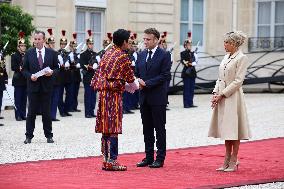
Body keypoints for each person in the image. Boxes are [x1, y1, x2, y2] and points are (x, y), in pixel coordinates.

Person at [91, 29, 135, 171]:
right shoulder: (123, 56)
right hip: (113, 95)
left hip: (103, 95)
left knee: (105, 128)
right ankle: (112, 161)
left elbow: (97, 76)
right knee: (114, 128)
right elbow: (130, 78)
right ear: (124, 42)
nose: (130, 43)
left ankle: (105, 160)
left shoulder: (107, 53)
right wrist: (136, 85)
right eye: (129, 40)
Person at [208, 31, 251, 172]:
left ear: (234, 44)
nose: (224, 45)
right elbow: (220, 78)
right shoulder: (226, 57)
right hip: (222, 96)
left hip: (233, 98)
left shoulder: (242, 58)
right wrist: (215, 92)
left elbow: (238, 81)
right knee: (226, 129)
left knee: (234, 129)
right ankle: (226, 159)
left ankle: (234, 159)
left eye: (226, 42)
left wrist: (222, 94)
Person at [135, 28, 171, 168]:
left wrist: (147, 83)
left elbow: (165, 75)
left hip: (158, 98)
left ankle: (160, 158)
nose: (145, 42)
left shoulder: (164, 55)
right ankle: (149, 157)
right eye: (144, 39)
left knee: (159, 129)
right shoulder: (141, 54)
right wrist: (137, 81)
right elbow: (137, 72)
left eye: (148, 39)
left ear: (156, 40)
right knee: (147, 128)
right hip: (144, 97)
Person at [22, 31, 59, 144]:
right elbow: (24, 70)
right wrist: (30, 76)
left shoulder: (52, 53)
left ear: (43, 40)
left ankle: (49, 135)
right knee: (31, 113)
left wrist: (52, 72)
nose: (37, 41)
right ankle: (28, 136)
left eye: (39, 39)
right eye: (35, 39)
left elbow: (57, 69)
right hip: (33, 87)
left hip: (46, 88)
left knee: (46, 113)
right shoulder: (29, 53)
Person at [80, 30, 98, 118]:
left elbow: (98, 64)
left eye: (92, 44)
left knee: (94, 96)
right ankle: (87, 112)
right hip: (87, 77)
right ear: (87, 44)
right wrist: (90, 67)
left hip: (94, 78)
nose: (91, 45)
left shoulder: (95, 54)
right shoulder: (83, 54)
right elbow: (82, 64)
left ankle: (91, 111)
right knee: (88, 95)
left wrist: (97, 65)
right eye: (89, 44)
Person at [11, 32, 27, 121]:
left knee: (24, 99)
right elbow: (13, 67)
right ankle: (17, 115)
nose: (23, 47)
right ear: (18, 47)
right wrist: (19, 67)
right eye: (22, 45)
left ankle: (23, 114)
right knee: (18, 99)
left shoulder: (26, 55)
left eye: (24, 45)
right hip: (18, 79)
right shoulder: (14, 55)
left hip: (25, 80)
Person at [46, 28, 61, 121]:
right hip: (47, 79)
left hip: (56, 79)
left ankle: (53, 115)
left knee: (55, 98)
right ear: (47, 44)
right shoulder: (45, 53)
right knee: (48, 99)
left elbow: (58, 67)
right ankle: (47, 116)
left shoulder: (56, 53)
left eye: (53, 43)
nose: (52, 45)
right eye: (51, 43)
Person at [181, 32, 198, 108]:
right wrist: (190, 63)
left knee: (191, 89)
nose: (190, 46)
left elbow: (196, 61)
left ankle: (191, 102)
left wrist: (194, 61)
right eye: (188, 45)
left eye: (190, 45)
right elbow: (183, 61)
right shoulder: (183, 53)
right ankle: (186, 103)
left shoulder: (193, 53)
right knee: (186, 89)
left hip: (192, 73)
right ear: (185, 46)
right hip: (187, 72)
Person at [68, 33, 81, 112]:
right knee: (71, 92)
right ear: (70, 47)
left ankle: (74, 106)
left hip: (77, 75)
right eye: (73, 46)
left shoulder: (77, 55)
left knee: (76, 92)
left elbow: (80, 63)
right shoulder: (68, 54)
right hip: (71, 75)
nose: (74, 48)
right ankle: (70, 107)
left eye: (75, 46)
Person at [0, 44, 8, 126]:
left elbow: (3, 69)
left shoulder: (1, 57)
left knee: (0, 101)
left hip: (0, 82)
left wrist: (5, 79)